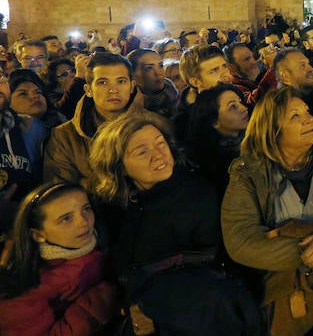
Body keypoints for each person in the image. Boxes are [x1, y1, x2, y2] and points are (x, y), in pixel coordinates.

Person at [90, 111, 260, 335]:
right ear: (119, 166)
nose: (158, 155)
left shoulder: (198, 195)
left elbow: (210, 271)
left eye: (161, 144)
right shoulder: (109, 205)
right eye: (142, 152)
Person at [221, 87, 313, 335]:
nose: (308, 119)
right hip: (282, 291)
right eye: (294, 116)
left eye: (307, 112)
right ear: (272, 129)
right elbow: (241, 239)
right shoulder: (249, 173)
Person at [0, 183, 117, 335]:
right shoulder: (24, 288)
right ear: (38, 235)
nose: (83, 222)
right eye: (66, 218)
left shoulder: (95, 241)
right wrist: (95, 305)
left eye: (86, 209)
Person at [43, 53, 143, 187]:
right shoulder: (65, 137)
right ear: (88, 90)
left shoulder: (154, 125)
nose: (113, 90)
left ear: (131, 86)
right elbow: (61, 192)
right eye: (103, 82)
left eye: (121, 81)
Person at [187, 84, 250, 196]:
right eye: (233, 107)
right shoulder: (217, 168)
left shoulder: (255, 139)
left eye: (240, 102)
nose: (244, 108)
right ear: (214, 122)